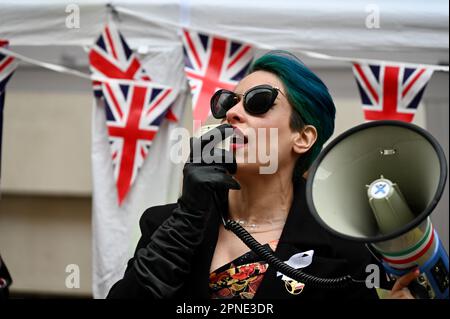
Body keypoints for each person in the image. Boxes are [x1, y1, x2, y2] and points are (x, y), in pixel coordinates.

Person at [107, 51, 418, 299]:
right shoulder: (166, 225)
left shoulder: (344, 245)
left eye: (259, 101)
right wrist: (188, 217)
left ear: (303, 137)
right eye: (228, 102)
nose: (232, 113)